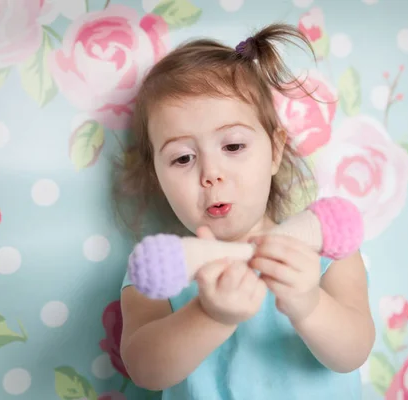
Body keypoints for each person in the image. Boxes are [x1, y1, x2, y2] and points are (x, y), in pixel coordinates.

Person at [115, 22, 374, 399]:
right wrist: (210, 316)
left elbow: (354, 352)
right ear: (156, 176)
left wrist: (308, 303)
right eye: (183, 157)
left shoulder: (325, 252)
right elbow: (144, 370)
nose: (211, 174)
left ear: (275, 150)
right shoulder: (164, 270)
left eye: (233, 146)